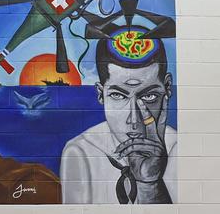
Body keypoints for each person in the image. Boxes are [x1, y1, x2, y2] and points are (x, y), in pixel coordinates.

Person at [61, 26, 176, 204]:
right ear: (101, 94)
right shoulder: (80, 152)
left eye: (149, 96)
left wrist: (150, 184)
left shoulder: (177, 148)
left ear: (167, 88)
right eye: (118, 95)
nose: (134, 119)